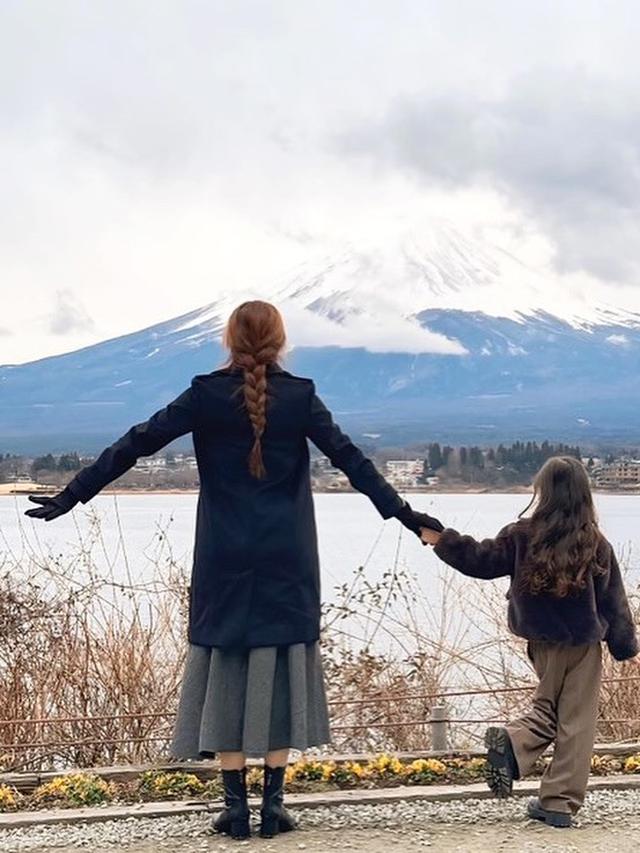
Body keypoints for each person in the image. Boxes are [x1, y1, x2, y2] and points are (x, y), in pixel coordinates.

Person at [26, 300, 443, 840]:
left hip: (223, 555)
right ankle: (273, 806)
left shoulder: (203, 394)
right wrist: (410, 518)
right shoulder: (301, 396)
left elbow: (135, 443)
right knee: (276, 666)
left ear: (229, 339)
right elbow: (353, 462)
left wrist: (72, 496)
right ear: (279, 339)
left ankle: (233, 809)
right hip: (287, 556)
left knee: (227, 664)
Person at [420, 455, 638, 828]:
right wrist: (626, 648)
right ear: (583, 495)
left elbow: (481, 560)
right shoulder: (595, 543)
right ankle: (545, 784)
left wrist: (444, 540)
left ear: (544, 492)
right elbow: (613, 601)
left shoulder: (521, 535)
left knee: (553, 708)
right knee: (576, 720)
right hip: (582, 645)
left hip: (540, 641)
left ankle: (526, 761)